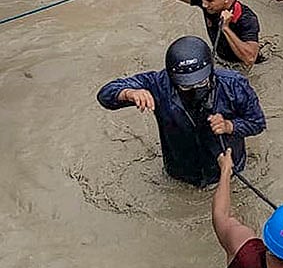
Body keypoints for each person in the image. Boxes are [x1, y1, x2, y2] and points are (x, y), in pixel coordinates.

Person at [96, 37, 266, 187]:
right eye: (185, 85)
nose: (194, 89)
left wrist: (230, 126)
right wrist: (129, 93)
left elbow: (257, 123)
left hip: (227, 170)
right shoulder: (158, 84)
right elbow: (105, 95)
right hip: (180, 173)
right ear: (172, 76)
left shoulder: (234, 84)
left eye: (201, 83)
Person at [127, 0, 260, 70]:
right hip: (221, 60)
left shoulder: (246, 18)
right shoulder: (206, 2)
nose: (204, 4)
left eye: (209, 1)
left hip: (243, 67)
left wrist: (225, 28)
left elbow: (250, 59)